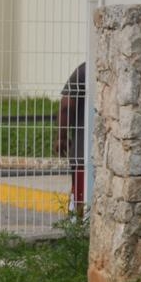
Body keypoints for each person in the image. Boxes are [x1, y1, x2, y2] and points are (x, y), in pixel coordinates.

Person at [56, 62, 87, 217]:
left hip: (82, 154)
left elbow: (66, 106)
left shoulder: (83, 71)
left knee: (80, 201)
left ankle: (78, 232)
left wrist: (61, 137)